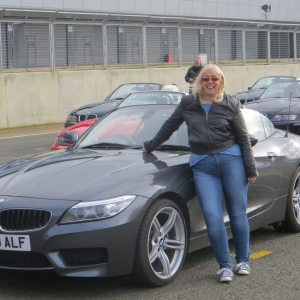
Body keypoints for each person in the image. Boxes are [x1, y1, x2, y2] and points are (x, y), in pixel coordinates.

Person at [143, 64, 258, 283]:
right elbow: (170, 126)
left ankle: (243, 261)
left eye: (215, 79)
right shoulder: (188, 103)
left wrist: (250, 169)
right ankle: (224, 266)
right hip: (203, 166)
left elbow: (243, 138)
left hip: (231, 161)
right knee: (212, 216)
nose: (210, 83)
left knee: (237, 213)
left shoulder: (230, 103)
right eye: (206, 79)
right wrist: (150, 145)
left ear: (221, 81)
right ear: (199, 81)